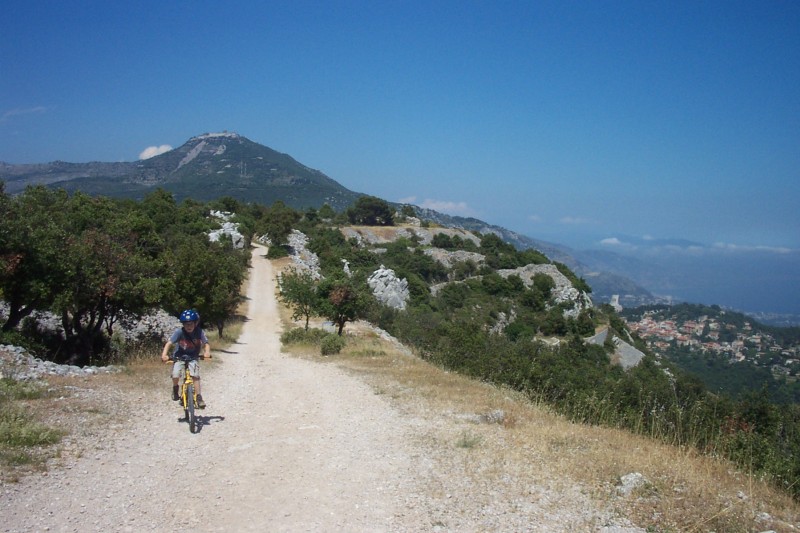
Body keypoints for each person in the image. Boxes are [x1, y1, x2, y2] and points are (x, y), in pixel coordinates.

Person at [161, 309, 211, 408]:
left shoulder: (199, 332)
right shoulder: (179, 332)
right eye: (186, 324)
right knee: (175, 374)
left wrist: (207, 352)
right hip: (179, 357)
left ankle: (199, 397)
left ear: (195, 323)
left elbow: (206, 344)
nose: (189, 326)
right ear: (183, 324)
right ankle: (175, 389)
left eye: (191, 324)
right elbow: (169, 343)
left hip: (193, 357)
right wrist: (164, 355)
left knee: (195, 376)